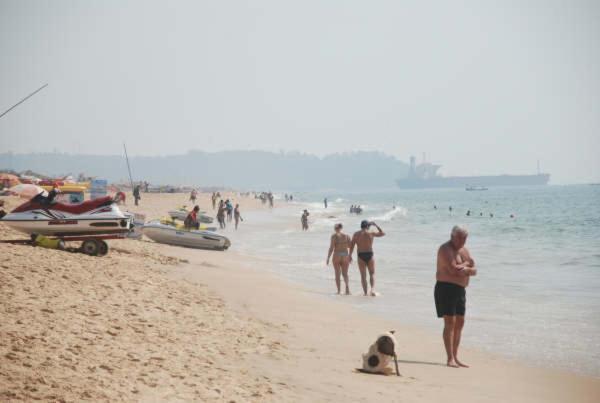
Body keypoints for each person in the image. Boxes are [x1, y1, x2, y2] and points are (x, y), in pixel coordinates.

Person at [435, 225, 477, 368]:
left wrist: (466, 268)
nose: (462, 240)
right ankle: (449, 358)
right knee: (450, 323)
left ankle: (456, 356)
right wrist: (467, 266)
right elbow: (454, 270)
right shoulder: (445, 249)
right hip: (446, 288)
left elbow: (475, 270)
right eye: (460, 237)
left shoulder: (464, 250)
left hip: (460, 290)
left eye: (465, 238)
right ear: (452, 236)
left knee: (460, 322)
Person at [349, 220, 385, 296]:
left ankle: (365, 293)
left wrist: (350, 255)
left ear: (361, 226)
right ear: (368, 226)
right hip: (369, 254)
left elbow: (352, 245)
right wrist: (376, 225)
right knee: (372, 274)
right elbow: (383, 233)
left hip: (361, 255)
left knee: (363, 275)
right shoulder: (371, 233)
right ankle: (372, 290)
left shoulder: (356, 234)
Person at [326, 223, 351, 295]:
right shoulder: (347, 236)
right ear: (341, 228)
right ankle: (347, 289)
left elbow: (331, 248)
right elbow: (350, 246)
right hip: (345, 255)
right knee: (345, 274)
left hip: (337, 254)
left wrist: (328, 257)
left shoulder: (334, 236)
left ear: (335, 228)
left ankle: (339, 291)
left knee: (337, 273)